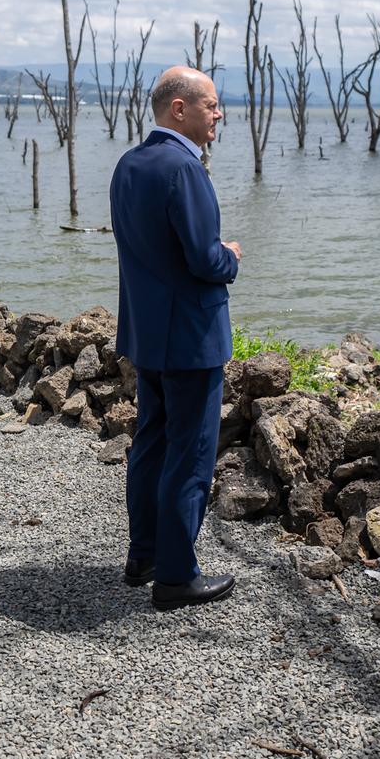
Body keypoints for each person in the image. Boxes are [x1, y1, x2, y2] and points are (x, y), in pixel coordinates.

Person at [109, 65, 243, 610]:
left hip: (148, 332)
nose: (219, 114)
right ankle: (176, 576)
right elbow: (203, 259)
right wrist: (230, 257)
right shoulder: (184, 168)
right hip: (191, 336)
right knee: (190, 454)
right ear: (179, 109)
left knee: (152, 442)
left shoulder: (129, 164)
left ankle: (143, 555)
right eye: (211, 104)